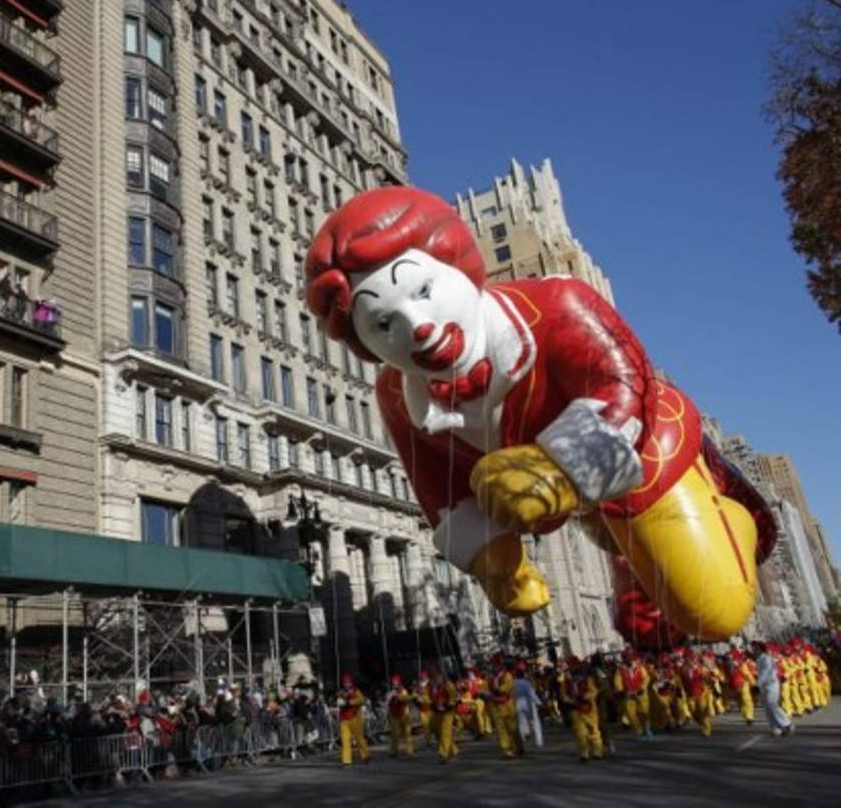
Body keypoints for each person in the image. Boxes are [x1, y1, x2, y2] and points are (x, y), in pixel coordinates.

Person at [305, 186, 778, 648]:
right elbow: (439, 492)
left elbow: (626, 391)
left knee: (711, 613)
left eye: (423, 290)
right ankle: (623, 548)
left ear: (457, 264)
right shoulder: (394, 394)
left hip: (645, 445)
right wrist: (494, 561)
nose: (418, 327)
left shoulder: (560, 303)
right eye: (383, 323)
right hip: (559, 500)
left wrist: (558, 469)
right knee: (643, 631)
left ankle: (728, 517)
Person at [561, 659, 603, 763]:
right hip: (575, 709)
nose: (572, 669)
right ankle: (584, 754)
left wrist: (585, 696)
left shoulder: (587, 679)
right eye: (570, 667)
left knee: (593, 730)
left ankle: (598, 751)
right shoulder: (566, 682)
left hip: (589, 708)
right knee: (580, 733)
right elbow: (563, 695)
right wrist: (571, 701)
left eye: (573, 666)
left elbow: (594, 691)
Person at [755, 641, 793, 737]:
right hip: (765, 686)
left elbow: (765, 672)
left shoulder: (766, 659)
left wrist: (757, 684)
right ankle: (776, 727)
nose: (753, 650)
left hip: (771, 684)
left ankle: (787, 723)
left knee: (772, 704)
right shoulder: (759, 659)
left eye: (755, 648)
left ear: (760, 649)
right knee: (768, 708)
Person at [614, 650, 653, 739]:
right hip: (628, 694)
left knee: (643, 712)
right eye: (625, 658)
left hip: (640, 694)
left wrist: (642, 688)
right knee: (630, 714)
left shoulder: (639, 667)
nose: (627, 659)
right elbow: (617, 681)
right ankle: (639, 731)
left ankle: (646, 727)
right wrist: (620, 690)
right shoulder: (620, 669)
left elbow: (646, 678)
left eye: (629, 657)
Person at [488, 655, 519, 759]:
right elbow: (485, 688)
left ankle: (517, 745)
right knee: (501, 729)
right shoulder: (491, 677)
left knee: (512, 728)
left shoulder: (507, 675)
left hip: (507, 705)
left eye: (496, 665)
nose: (494, 667)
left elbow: (505, 688)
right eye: (493, 665)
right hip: (496, 706)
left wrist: (496, 691)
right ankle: (507, 749)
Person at [336, 674, 369, 767]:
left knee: (359, 738)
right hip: (344, 719)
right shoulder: (341, 692)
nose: (346, 684)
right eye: (345, 683)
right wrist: (339, 701)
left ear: (351, 683)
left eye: (348, 682)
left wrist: (349, 702)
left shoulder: (356, 691)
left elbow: (362, 700)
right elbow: (337, 701)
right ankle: (346, 761)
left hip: (355, 718)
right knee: (345, 740)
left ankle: (365, 754)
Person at [514, 662, 542, 749]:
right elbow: (531, 694)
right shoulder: (526, 683)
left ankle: (522, 739)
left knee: (521, 723)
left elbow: (511, 695)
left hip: (518, 704)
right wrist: (539, 703)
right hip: (529, 703)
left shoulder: (513, 683)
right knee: (535, 723)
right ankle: (538, 741)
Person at [385, 674, 414, 759]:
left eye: (396, 683)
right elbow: (387, 704)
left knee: (407, 734)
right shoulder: (390, 693)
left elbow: (406, 699)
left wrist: (400, 697)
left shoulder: (404, 691)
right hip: (393, 715)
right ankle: (393, 751)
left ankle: (410, 752)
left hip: (404, 714)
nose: (395, 685)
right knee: (395, 735)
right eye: (394, 683)